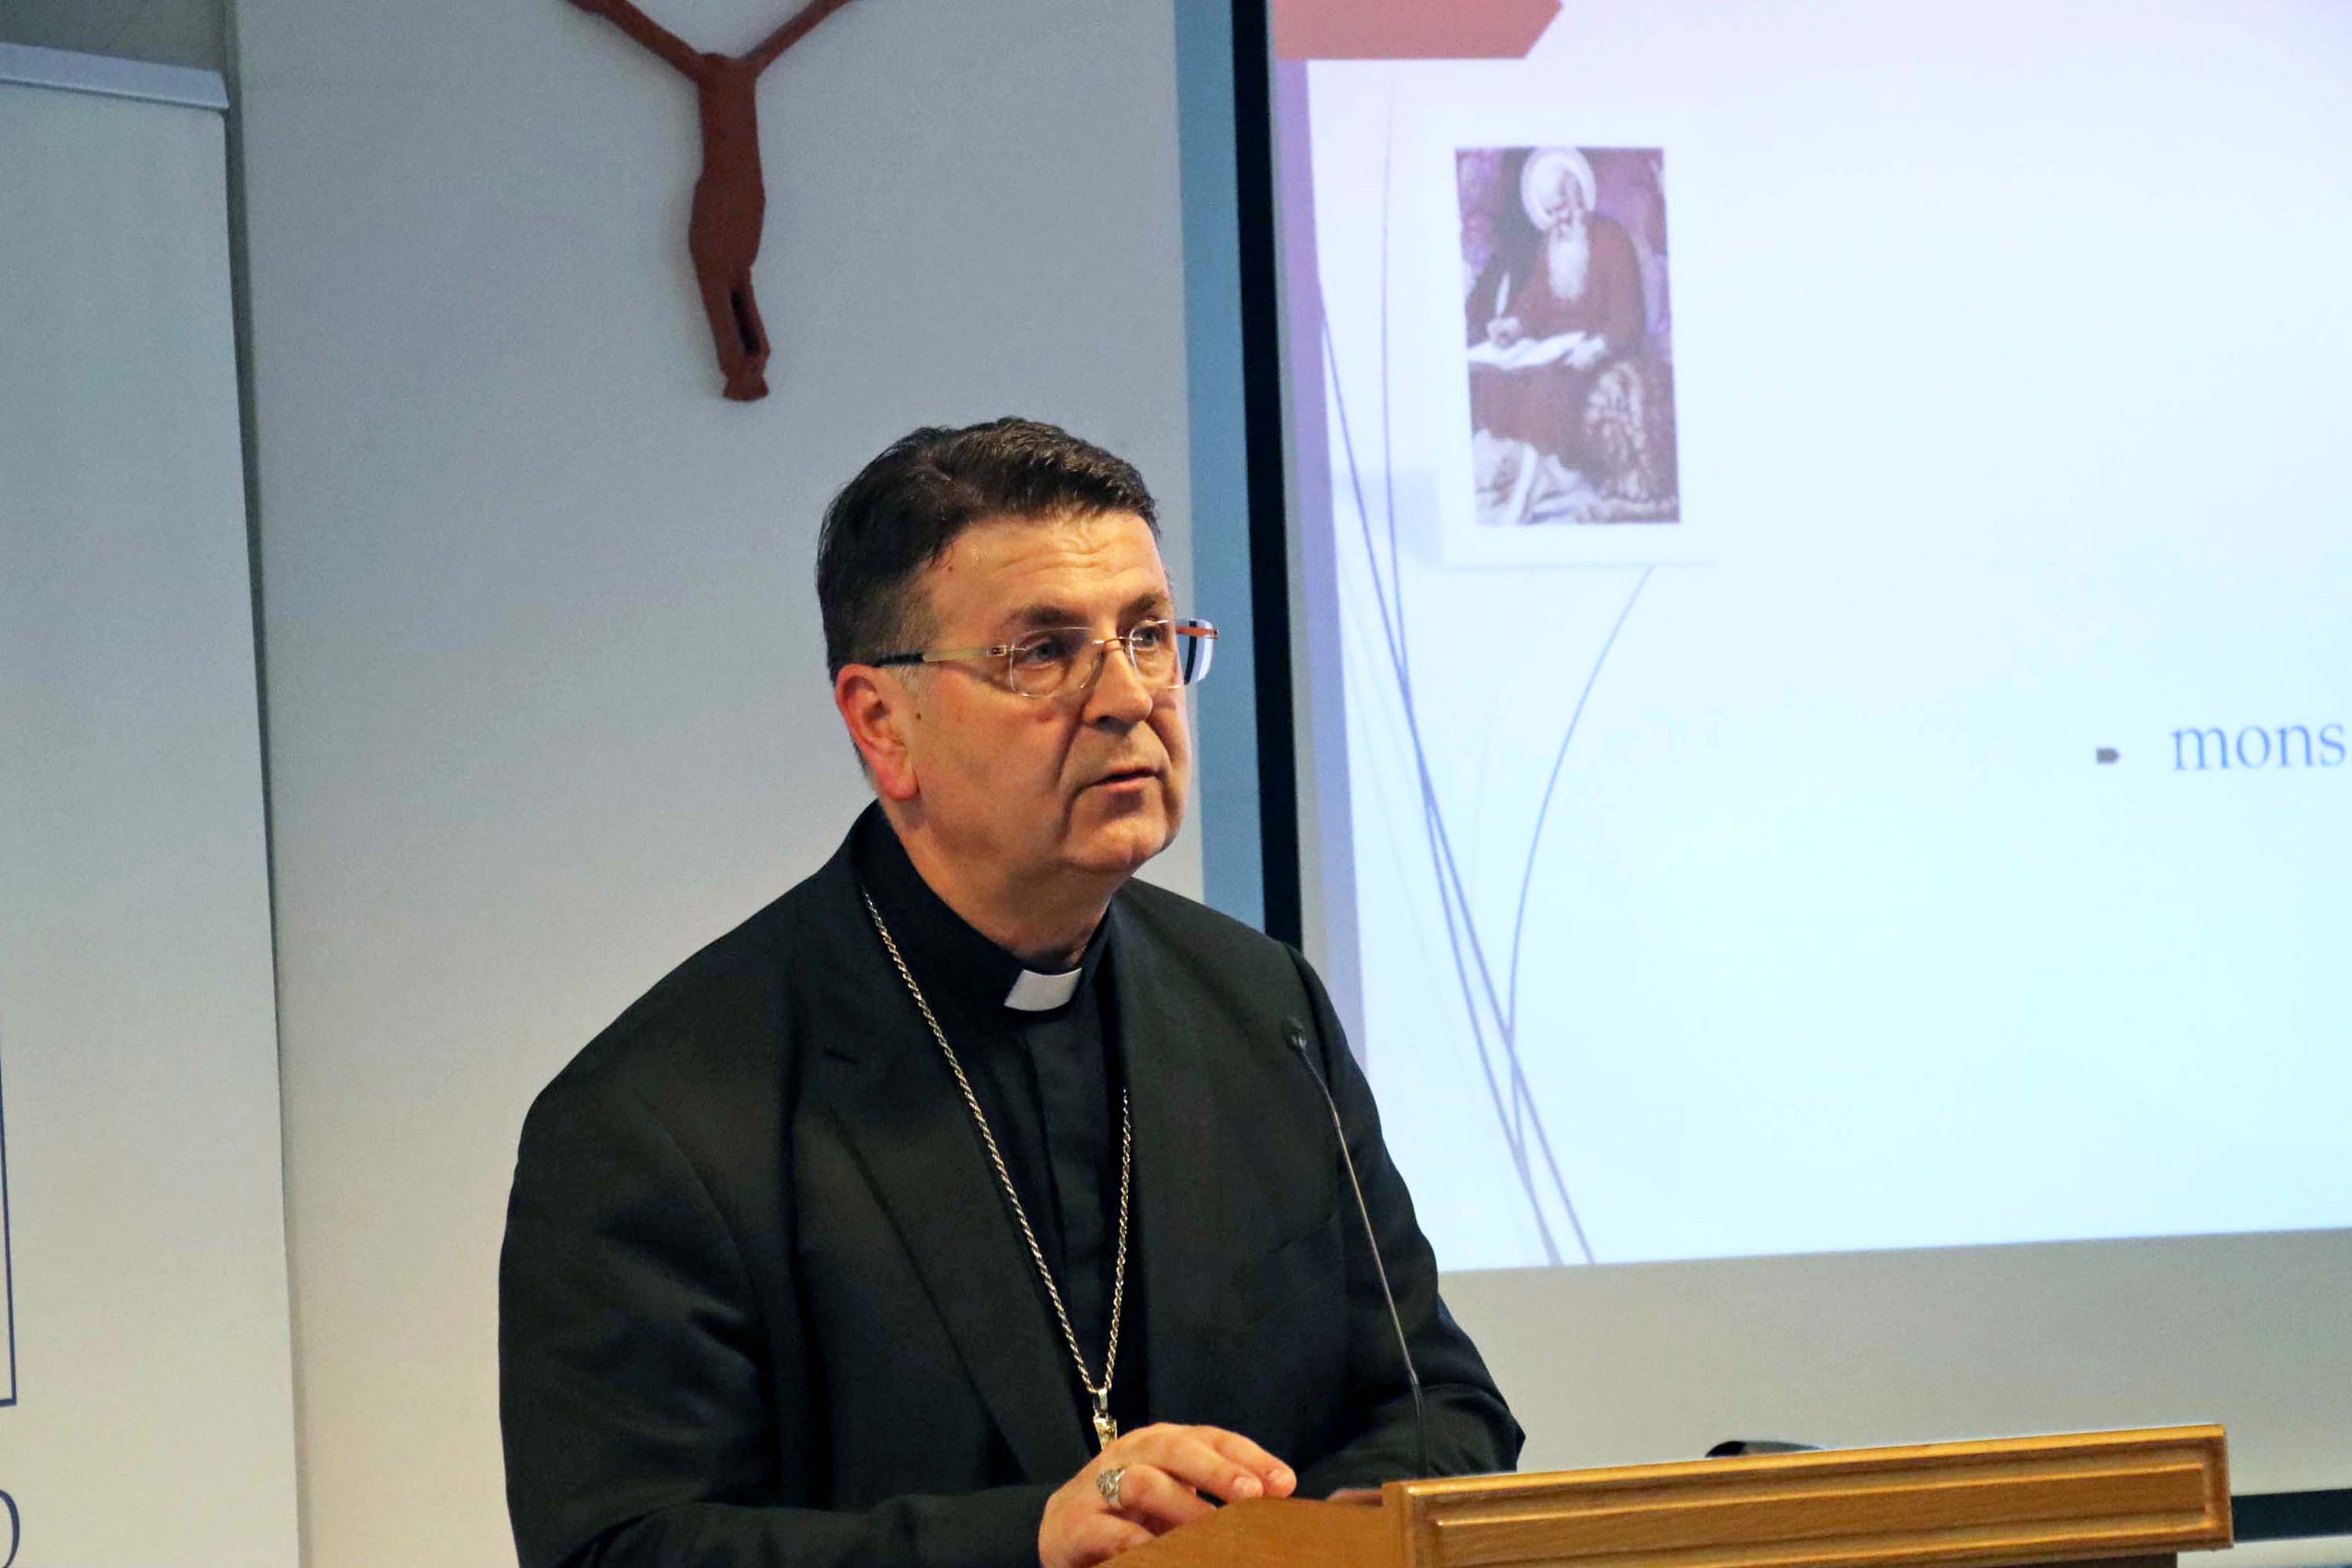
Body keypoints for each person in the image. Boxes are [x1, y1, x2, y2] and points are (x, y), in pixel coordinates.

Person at [499, 419, 1522, 1568]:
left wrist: (1282, 1545)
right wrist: (1025, 1544)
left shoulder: (1260, 1006)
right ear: (881, 723)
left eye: (1148, 635)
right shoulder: (658, 1119)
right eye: (1043, 652)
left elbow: (1440, 1407)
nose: (1128, 697)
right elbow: (621, 1550)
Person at [1466, 149, 1648, 522]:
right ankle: (1530, 474)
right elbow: (1535, 302)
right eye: (1551, 212)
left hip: (1599, 351)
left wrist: (1596, 348)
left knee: (1549, 384)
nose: (1559, 220)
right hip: (1555, 349)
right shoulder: (1550, 242)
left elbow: (1629, 317)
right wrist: (1513, 326)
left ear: (1579, 197)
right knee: (1495, 377)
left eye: (1564, 208)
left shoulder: (1611, 238)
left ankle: (1530, 489)